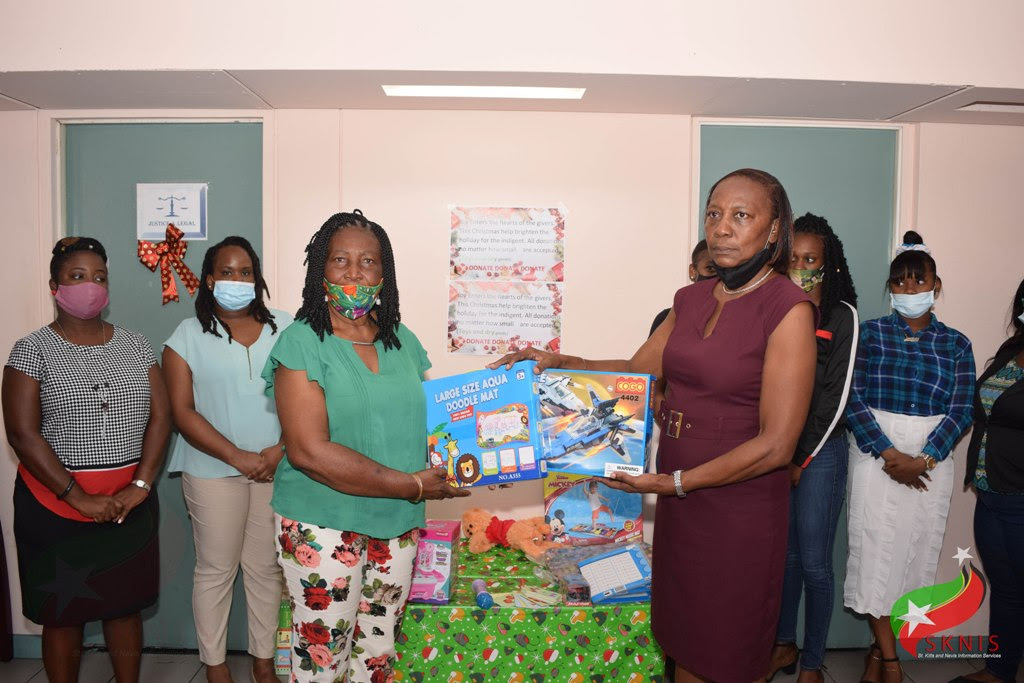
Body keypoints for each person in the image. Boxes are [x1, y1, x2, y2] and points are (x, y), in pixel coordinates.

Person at [494, 168, 817, 683]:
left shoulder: (788, 309)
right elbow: (637, 372)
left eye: (741, 216)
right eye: (714, 214)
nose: (722, 228)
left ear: (775, 229)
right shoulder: (691, 299)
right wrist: (558, 361)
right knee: (684, 637)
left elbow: (777, 445)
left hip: (739, 510)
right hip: (680, 504)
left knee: (729, 647)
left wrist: (676, 483)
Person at [264, 211, 469, 682]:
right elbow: (308, 452)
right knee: (322, 659)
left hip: (396, 523)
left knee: (378, 653)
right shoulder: (300, 343)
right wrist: (413, 484)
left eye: (368, 262)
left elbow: (423, 426)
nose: (355, 273)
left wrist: (477, 458)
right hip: (322, 523)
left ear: (384, 274)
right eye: (341, 260)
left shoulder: (402, 341)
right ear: (321, 270)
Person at [2, 236, 170, 683]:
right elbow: (22, 433)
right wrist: (77, 497)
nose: (90, 285)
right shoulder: (31, 350)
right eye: (77, 276)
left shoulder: (136, 345)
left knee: (124, 605)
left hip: (129, 504)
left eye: (99, 277)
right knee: (63, 613)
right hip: (54, 506)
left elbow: (162, 417)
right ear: (54, 286)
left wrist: (140, 486)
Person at [844, 231, 974, 683]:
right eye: (900, 281)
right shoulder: (869, 334)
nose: (910, 288)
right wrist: (888, 453)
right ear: (891, 287)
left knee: (912, 557)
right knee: (874, 554)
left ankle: (877, 653)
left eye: (919, 280)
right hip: (875, 454)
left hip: (930, 462)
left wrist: (925, 459)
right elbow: (851, 398)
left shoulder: (957, 344)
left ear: (936, 286)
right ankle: (891, 660)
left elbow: (962, 409)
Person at [162, 236, 292, 683]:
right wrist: (237, 457)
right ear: (209, 279)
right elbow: (182, 412)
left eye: (246, 272)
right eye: (227, 272)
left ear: (257, 279)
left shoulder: (287, 327)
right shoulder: (186, 336)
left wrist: (280, 450)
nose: (237, 280)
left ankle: (263, 661)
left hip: (276, 468)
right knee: (216, 569)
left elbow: (310, 395)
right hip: (212, 471)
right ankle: (215, 665)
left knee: (266, 569)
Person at [768, 214, 859, 683]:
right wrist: (777, 451)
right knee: (785, 559)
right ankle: (784, 645)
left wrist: (799, 456)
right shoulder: (777, 311)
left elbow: (834, 398)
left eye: (811, 260)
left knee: (816, 564)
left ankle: (812, 663)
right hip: (777, 452)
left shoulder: (841, 316)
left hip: (819, 454)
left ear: (829, 264)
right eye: (794, 260)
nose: (802, 268)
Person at [949, 278, 1024, 683]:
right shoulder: (1011, 352)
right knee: (1007, 588)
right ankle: (999, 670)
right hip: (990, 492)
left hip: (1020, 496)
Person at [648, 239, 715, 336]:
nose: (719, 277)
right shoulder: (666, 319)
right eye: (711, 268)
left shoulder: (733, 319)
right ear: (692, 271)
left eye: (725, 271)